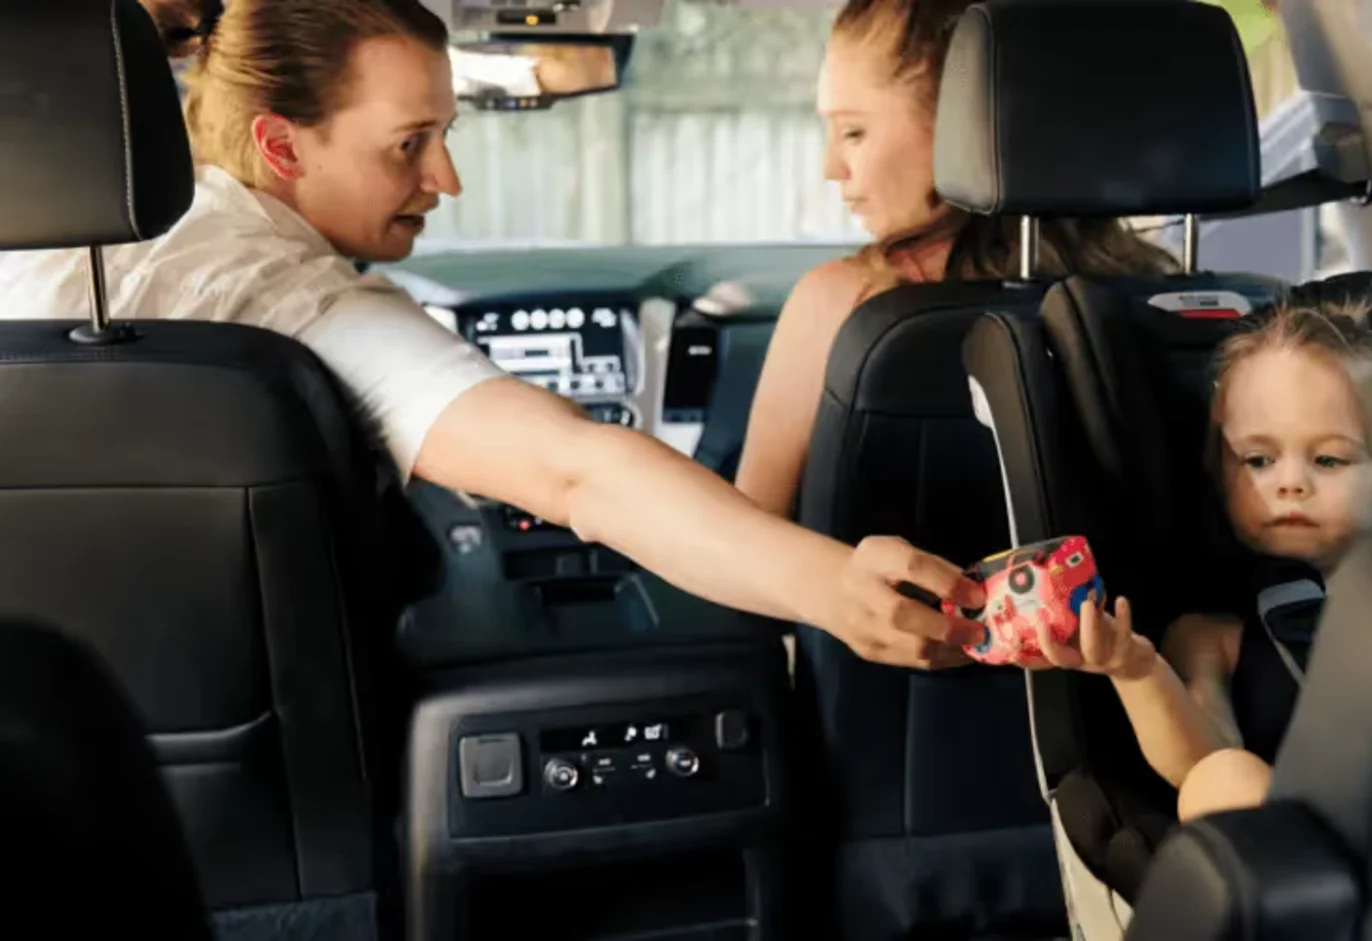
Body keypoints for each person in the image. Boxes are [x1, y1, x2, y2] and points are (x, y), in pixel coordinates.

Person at [0, 0, 984, 670]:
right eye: (410, 144)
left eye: (447, 136)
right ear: (281, 144)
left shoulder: (29, 273)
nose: (447, 180)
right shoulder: (295, 303)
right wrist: (832, 585)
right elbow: (576, 474)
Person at [732, 0, 1178, 519]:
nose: (832, 168)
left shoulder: (844, 303)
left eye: (853, 132)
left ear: (961, 127)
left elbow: (742, 548)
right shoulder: (1166, 303)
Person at [1034, 299, 1372, 821]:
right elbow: (1197, 762)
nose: (1291, 483)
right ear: (1221, 477)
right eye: (1258, 461)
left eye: (1328, 459)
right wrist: (1136, 671)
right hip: (1301, 842)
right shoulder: (1211, 635)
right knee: (1220, 778)